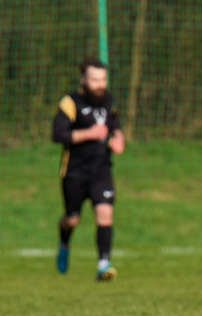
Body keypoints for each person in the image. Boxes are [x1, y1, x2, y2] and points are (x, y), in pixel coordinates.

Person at [52, 57, 125, 281]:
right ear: (83, 80)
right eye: (95, 80)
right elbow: (58, 134)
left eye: (103, 79)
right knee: (72, 219)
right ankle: (64, 242)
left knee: (105, 213)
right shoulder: (70, 103)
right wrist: (88, 134)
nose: (100, 84)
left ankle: (104, 265)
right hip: (74, 172)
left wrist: (119, 137)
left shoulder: (107, 99)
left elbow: (114, 123)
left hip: (101, 169)